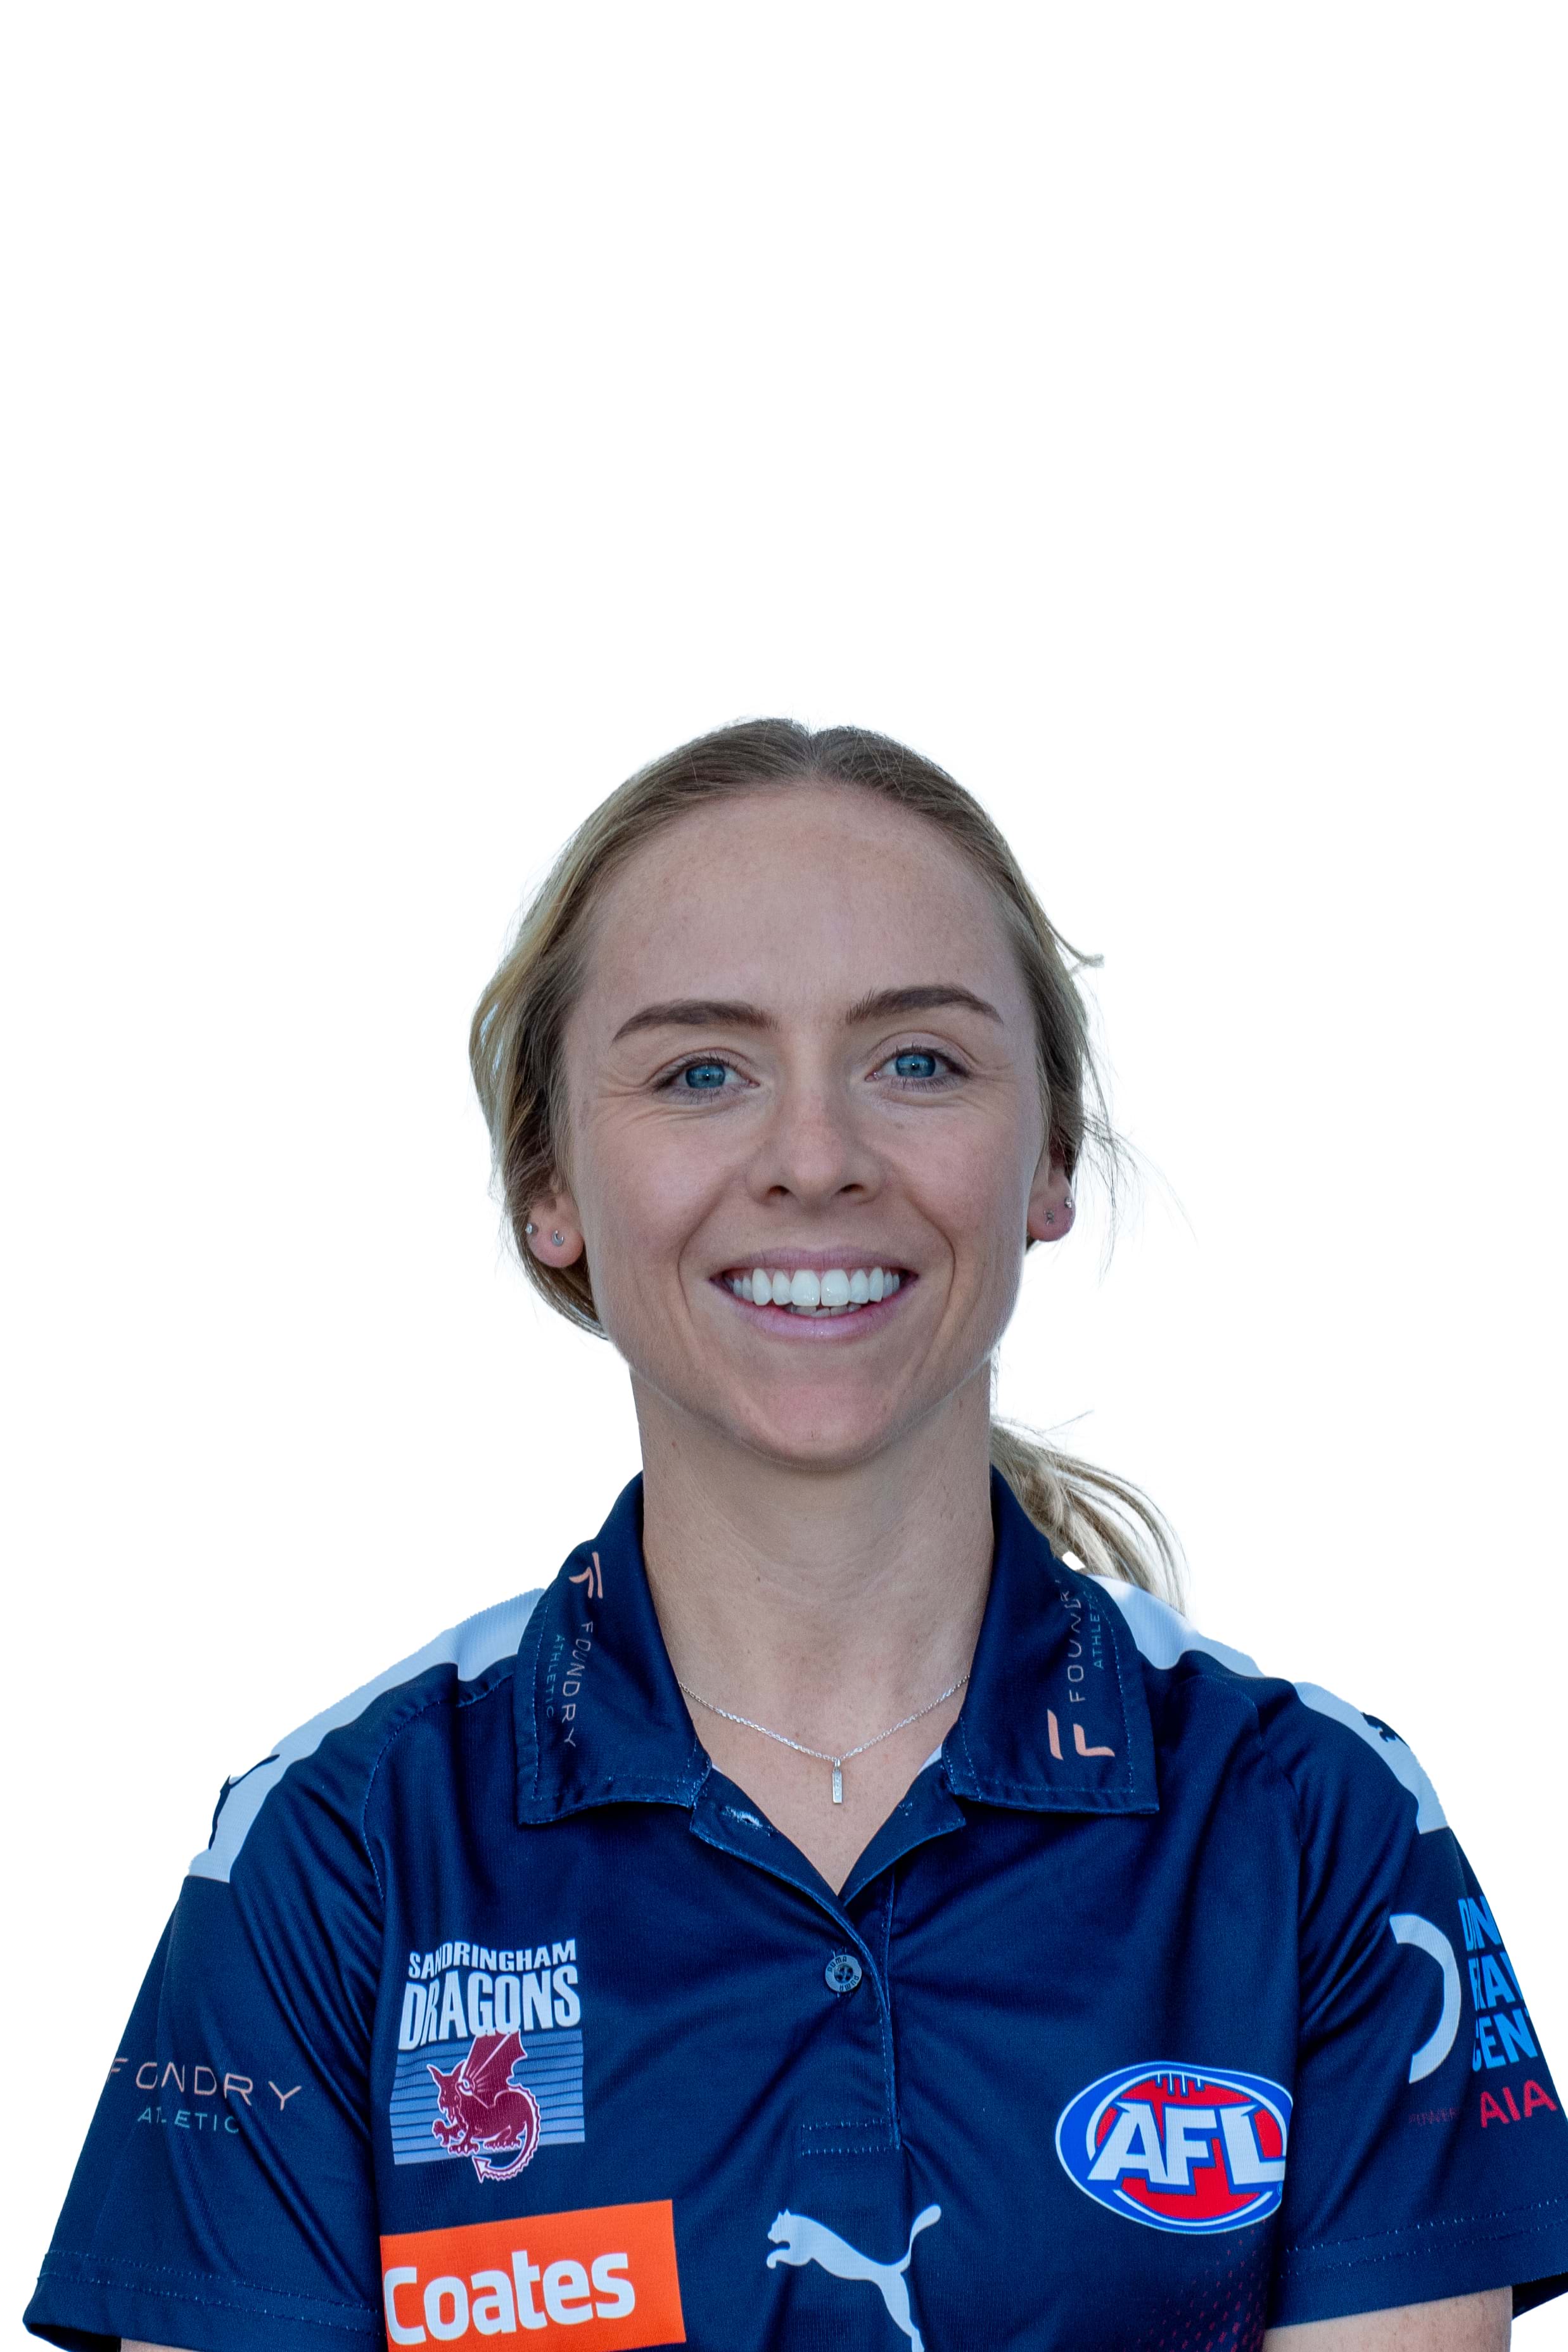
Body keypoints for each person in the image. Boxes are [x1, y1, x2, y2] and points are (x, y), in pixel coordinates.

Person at [25, 720, 1568, 2352]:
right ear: (550, 1182)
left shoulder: (1315, 1824)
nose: (817, 1161)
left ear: (1049, 1158)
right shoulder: (340, 1851)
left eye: (919, 1062)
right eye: (703, 1071)